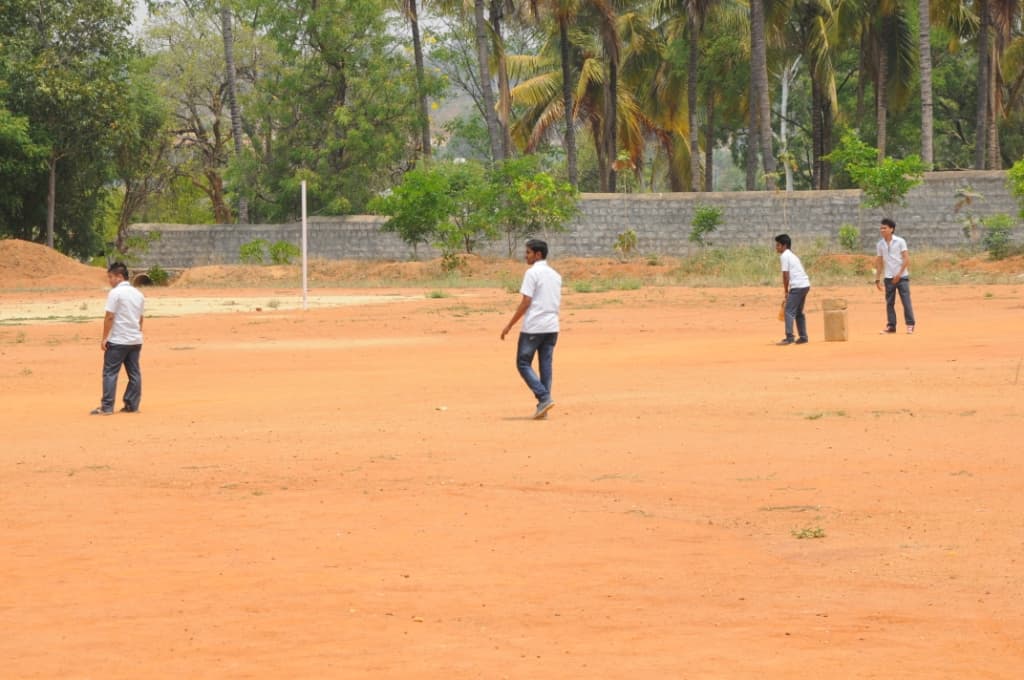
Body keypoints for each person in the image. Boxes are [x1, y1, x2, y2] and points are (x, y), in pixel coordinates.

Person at [501, 239, 562, 419]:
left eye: (528, 252)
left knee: (523, 363)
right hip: (552, 327)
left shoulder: (532, 273)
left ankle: (544, 398)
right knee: (545, 366)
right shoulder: (556, 275)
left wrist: (509, 325)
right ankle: (544, 406)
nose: (525, 256)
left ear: (538, 254)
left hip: (534, 326)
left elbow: (526, 302)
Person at [91, 262, 145, 415]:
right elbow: (140, 318)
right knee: (134, 373)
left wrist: (104, 338)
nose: (109, 280)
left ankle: (107, 407)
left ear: (120, 277)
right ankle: (132, 405)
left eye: (111, 277)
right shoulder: (138, 294)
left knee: (110, 373)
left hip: (118, 340)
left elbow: (109, 317)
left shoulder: (115, 293)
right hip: (135, 340)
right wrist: (136, 333)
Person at [875, 218, 916, 334]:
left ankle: (910, 324)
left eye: (885, 228)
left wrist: (899, 274)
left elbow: (906, 259)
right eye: (881, 228)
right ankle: (891, 326)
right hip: (888, 278)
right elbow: (879, 262)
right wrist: (877, 278)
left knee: (906, 301)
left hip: (902, 277)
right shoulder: (880, 244)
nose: (882, 230)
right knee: (889, 303)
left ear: (891, 229)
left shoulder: (900, 241)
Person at [774, 234, 811, 345]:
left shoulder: (785, 255)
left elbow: (785, 275)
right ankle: (803, 337)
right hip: (805, 285)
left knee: (789, 311)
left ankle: (789, 337)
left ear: (784, 245)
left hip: (798, 286)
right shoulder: (791, 255)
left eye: (778, 245)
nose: (776, 247)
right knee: (798, 312)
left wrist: (786, 290)